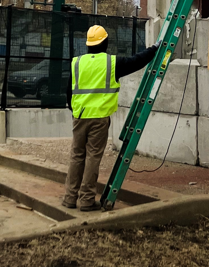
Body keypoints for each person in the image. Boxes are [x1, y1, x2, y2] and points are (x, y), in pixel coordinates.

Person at [62, 25, 159, 211]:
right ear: (105, 43)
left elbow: (69, 90)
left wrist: (74, 110)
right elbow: (137, 61)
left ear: (88, 44)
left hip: (79, 116)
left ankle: (69, 198)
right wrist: (154, 49)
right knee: (92, 157)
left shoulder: (77, 62)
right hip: (99, 119)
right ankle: (87, 200)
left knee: (76, 156)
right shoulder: (111, 63)